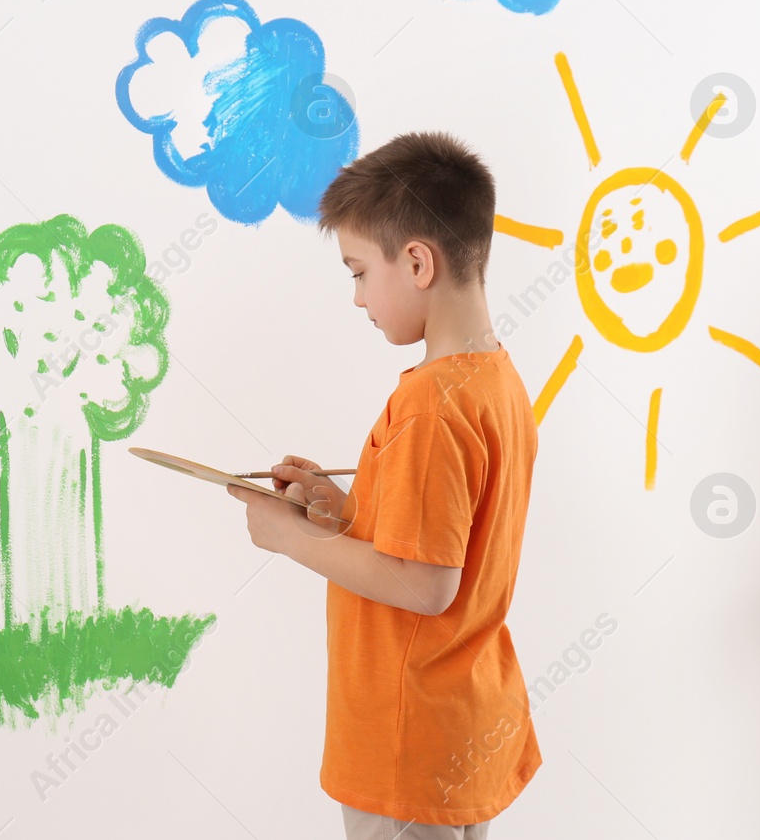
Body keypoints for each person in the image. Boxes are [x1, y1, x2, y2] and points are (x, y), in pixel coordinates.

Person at [225, 131, 540, 839]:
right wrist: (344, 512)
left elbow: (428, 582)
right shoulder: (494, 380)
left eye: (360, 272)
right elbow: (445, 532)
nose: (358, 297)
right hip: (457, 726)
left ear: (419, 262)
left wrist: (290, 537)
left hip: (408, 743)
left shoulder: (432, 403)